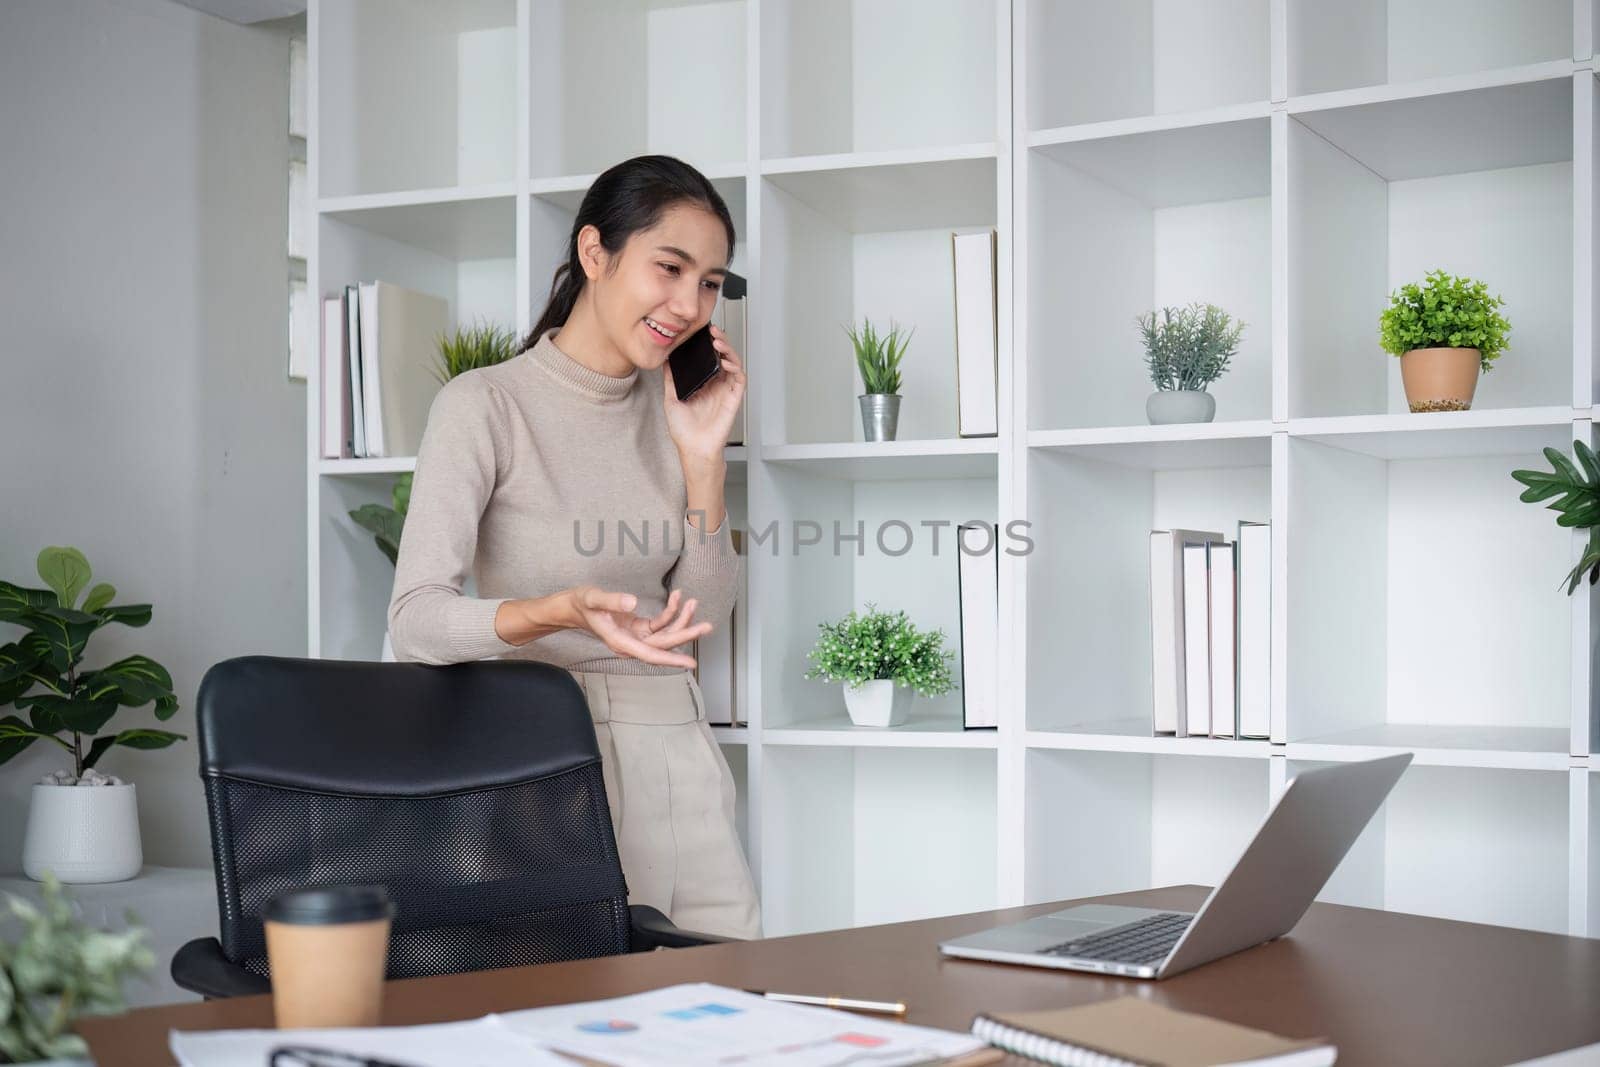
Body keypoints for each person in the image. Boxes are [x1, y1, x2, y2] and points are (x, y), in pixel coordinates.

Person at [387, 154, 760, 939]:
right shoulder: (483, 405)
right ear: (595, 253)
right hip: (531, 750)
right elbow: (415, 620)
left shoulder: (677, 412)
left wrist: (703, 460)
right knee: (558, 1016)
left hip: (669, 744)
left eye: (710, 283)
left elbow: (701, 616)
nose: (689, 303)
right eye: (671, 268)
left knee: (720, 1005)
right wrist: (553, 613)